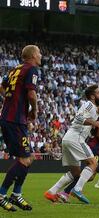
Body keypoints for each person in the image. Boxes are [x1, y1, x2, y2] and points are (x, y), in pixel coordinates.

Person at [44, 85, 99, 204]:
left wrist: (95, 122)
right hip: (76, 138)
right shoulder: (89, 104)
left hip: (68, 139)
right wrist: (94, 122)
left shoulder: (93, 109)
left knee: (75, 173)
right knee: (93, 163)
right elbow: (78, 118)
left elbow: (87, 125)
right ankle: (77, 189)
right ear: (92, 96)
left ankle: (51, 192)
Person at [0, 45, 40, 211]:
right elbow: (31, 94)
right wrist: (34, 111)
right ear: (32, 55)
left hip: (9, 117)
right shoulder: (32, 69)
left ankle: (16, 194)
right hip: (15, 119)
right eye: (39, 53)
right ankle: (2, 194)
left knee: (28, 159)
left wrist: (10, 99)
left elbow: (2, 87)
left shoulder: (14, 69)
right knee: (25, 159)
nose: (41, 56)